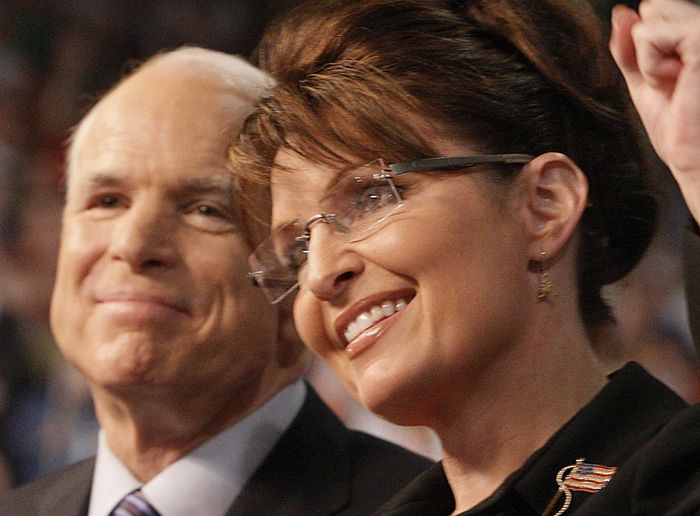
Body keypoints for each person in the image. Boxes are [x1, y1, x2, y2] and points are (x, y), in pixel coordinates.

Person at [231, 0, 700, 514]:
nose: (319, 274)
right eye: (295, 246)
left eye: (371, 195)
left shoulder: (695, 484)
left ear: (544, 206)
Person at [0, 47, 430, 516]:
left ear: (300, 285)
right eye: (106, 201)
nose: (134, 244)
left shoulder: (426, 507)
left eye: (206, 210)